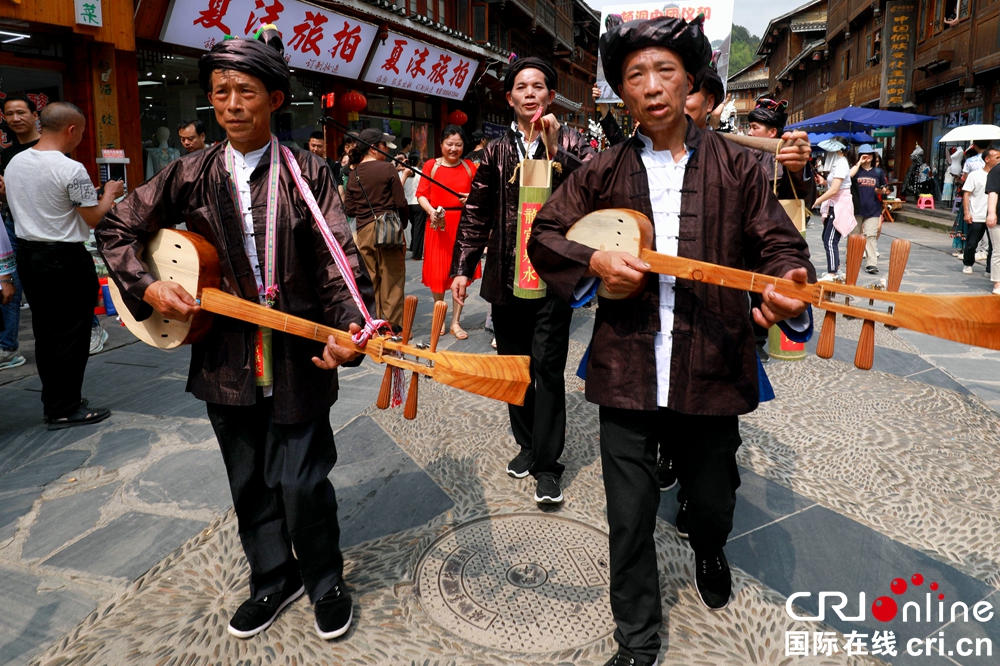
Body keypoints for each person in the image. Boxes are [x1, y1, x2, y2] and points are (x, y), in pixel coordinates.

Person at [528, 17, 813, 663]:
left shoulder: (740, 167)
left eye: (664, 72)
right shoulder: (601, 169)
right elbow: (545, 232)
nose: (652, 87)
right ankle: (637, 638)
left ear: (690, 83)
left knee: (712, 500)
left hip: (713, 362)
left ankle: (710, 548)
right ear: (621, 94)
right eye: (635, 75)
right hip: (626, 366)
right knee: (628, 518)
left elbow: (778, 245)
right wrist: (593, 262)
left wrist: (786, 282)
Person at [98, 28, 373, 642]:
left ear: (275, 99)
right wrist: (147, 287)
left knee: (303, 480)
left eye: (245, 91)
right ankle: (273, 577)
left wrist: (353, 326)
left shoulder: (308, 172)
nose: (231, 104)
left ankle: (325, 576)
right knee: (248, 478)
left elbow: (338, 258)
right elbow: (116, 227)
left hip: (296, 350)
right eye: (220, 92)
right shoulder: (189, 172)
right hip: (224, 355)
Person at [451, 56, 596, 505]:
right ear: (509, 97)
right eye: (521, 87)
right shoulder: (494, 151)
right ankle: (527, 446)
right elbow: (476, 213)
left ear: (551, 96)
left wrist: (558, 152)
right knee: (515, 370)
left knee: (547, 370)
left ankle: (549, 465)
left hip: (553, 279)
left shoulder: (574, 140)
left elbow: (594, 189)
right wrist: (463, 266)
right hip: (507, 277)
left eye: (539, 86)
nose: (530, 93)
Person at [6, 102, 122, 427]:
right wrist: (110, 193)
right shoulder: (71, 169)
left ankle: (55, 399)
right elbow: (93, 217)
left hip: (29, 256)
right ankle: (65, 407)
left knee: (46, 334)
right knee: (72, 334)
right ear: (71, 130)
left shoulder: (15, 162)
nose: (81, 139)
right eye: (82, 132)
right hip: (65, 260)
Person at [343, 127, 408, 330]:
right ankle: (393, 328)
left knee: (371, 281)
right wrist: (403, 226)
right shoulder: (387, 168)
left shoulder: (354, 174)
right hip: (388, 228)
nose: (386, 149)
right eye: (383, 145)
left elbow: (350, 209)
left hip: (363, 231)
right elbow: (401, 202)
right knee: (392, 280)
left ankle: (374, 324)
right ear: (373, 148)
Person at [418, 125, 478, 339]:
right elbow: (421, 194)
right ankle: (440, 316)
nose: (453, 149)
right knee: (438, 272)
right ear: (441, 144)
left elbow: (480, 197)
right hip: (437, 224)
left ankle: (456, 321)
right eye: (449, 144)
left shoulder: (471, 167)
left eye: (458, 145)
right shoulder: (430, 166)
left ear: (464, 146)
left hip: (462, 226)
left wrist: (470, 199)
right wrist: (431, 211)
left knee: (459, 273)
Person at [0, 94, 40, 371]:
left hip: (46, 228)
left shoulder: (51, 147)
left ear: (35, 115)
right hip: (14, 224)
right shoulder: (5, 155)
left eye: (21, 112)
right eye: (9, 114)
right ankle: (7, 347)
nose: (15, 118)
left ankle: (91, 327)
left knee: (56, 283)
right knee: (9, 283)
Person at [812, 138, 854, 280]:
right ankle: (837, 269)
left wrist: (817, 200)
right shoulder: (837, 164)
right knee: (827, 237)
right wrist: (823, 181)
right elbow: (832, 185)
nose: (827, 153)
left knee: (830, 240)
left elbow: (835, 189)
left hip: (840, 205)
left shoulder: (842, 164)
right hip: (833, 205)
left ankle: (832, 273)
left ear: (838, 150)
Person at [850, 144, 889, 275]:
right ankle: (852, 260)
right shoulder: (855, 171)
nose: (868, 157)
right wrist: (859, 163)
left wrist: (881, 190)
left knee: (870, 236)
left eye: (870, 154)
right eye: (864, 154)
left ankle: (871, 264)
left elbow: (885, 188)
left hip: (873, 209)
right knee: (854, 237)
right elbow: (848, 177)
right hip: (856, 209)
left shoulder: (878, 172)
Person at [961, 148, 1000, 277]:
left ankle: (989, 269)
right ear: (987, 159)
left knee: (994, 246)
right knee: (972, 242)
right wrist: (967, 212)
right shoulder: (975, 175)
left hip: (994, 216)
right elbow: (966, 194)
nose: (999, 160)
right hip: (977, 214)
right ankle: (968, 264)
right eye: (997, 158)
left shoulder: (998, 175)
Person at [404, 151, 426, 260]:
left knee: (413, 226)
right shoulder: (421, 174)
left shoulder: (403, 173)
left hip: (407, 204)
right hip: (418, 203)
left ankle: (413, 246)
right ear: (418, 162)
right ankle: (417, 254)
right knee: (419, 229)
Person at [985, 150, 1000, 294]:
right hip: (998, 217)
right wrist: (991, 213)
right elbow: (993, 192)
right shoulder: (997, 170)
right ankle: (998, 283)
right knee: (999, 250)